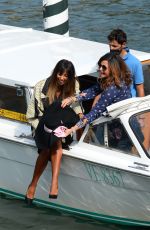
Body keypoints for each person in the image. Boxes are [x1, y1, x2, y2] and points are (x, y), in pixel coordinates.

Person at [25, 59, 82, 203]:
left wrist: (80, 114)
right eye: (60, 74)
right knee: (52, 142)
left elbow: (76, 106)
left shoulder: (74, 85)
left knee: (55, 140)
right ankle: (53, 183)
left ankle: (33, 185)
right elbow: (31, 116)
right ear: (55, 72)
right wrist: (45, 131)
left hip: (62, 126)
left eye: (66, 76)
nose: (62, 78)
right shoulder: (41, 86)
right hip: (41, 126)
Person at [62, 52, 132, 136]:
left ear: (113, 69)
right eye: (100, 66)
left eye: (104, 67)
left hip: (119, 130)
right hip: (126, 124)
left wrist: (72, 129)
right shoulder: (118, 80)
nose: (100, 69)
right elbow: (92, 91)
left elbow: (95, 112)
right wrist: (71, 99)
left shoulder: (112, 89)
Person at [108, 28, 145, 97]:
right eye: (110, 45)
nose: (111, 48)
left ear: (123, 44)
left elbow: (139, 87)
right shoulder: (108, 59)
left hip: (128, 102)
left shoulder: (135, 63)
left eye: (114, 46)